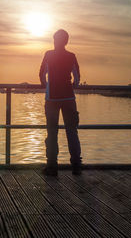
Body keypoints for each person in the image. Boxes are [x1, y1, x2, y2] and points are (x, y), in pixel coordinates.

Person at [39, 29, 82, 176]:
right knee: (72, 132)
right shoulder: (71, 56)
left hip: (52, 98)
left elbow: (41, 75)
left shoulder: (48, 55)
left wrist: (48, 86)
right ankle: (76, 165)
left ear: (54, 40)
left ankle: (52, 167)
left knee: (52, 132)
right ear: (66, 41)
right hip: (69, 98)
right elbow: (77, 79)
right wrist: (71, 86)